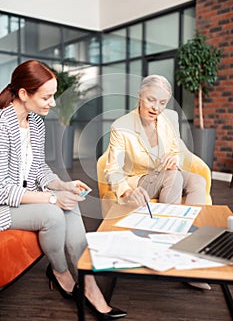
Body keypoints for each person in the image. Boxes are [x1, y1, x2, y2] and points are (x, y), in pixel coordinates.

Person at [0, 60, 127, 320]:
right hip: (3, 204)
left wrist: (62, 186)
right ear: (24, 94)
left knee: (71, 200)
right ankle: (60, 273)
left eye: (54, 95)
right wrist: (51, 197)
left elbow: (38, 169)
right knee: (53, 213)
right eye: (47, 97)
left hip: (24, 197)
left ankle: (89, 285)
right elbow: (2, 190)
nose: (53, 103)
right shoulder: (2, 128)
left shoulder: (34, 123)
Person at [104, 74, 210, 290]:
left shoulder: (169, 118)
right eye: (151, 100)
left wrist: (176, 159)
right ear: (140, 95)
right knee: (174, 176)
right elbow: (112, 170)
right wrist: (125, 191)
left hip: (168, 173)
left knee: (197, 180)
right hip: (141, 181)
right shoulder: (121, 126)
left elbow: (177, 150)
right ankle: (169, 250)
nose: (156, 108)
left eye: (162, 102)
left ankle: (189, 246)